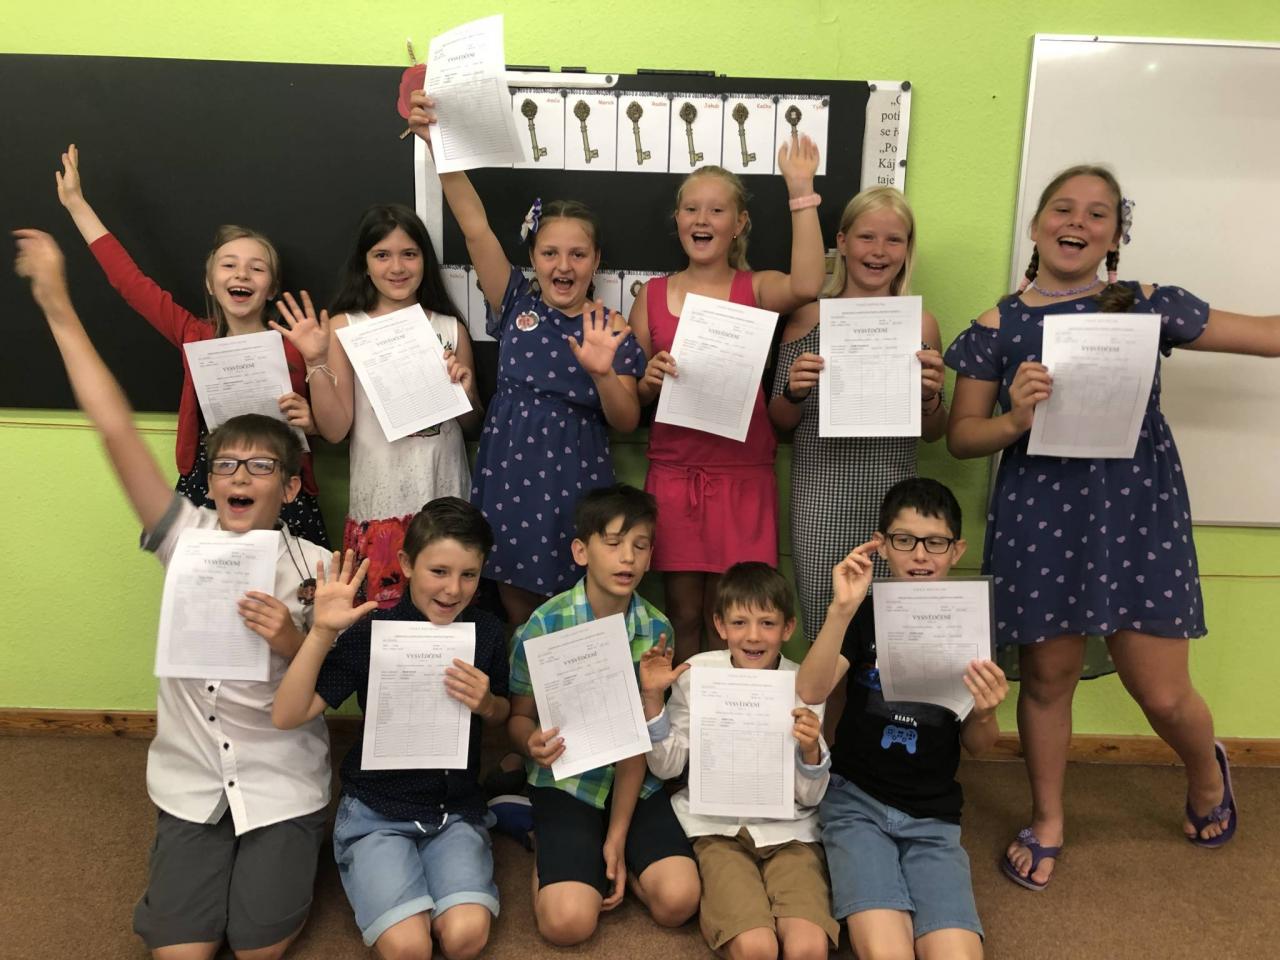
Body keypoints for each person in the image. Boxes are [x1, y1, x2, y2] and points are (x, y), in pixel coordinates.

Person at [946, 164, 1279, 887]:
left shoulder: (1149, 306)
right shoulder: (994, 328)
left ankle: (1207, 772)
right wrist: (1015, 417)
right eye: (1063, 208)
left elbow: (1268, 336)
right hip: (1041, 515)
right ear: (1036, 225)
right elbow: (962, 437)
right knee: (1047, 679)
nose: (1078, 222)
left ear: (1115, 235)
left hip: (1136, 515)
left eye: (1098, 213)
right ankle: (1049, 819)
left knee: (1162, 692)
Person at [16, 227, 332, 960]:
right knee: (180, 952)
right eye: (226, 466)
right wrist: (59, 306)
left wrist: (295, 635)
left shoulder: (319, 568)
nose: (240, 477)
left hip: (281, 779)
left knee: (257, 947)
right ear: (208, 480)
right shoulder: (183, 535)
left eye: (261, 467)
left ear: (291, 488)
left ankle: (301, 836)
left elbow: (333, 685)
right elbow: (114, 429)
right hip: (192, 777)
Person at [407, 88, 646, 630]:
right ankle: (522, 685)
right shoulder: (516, 304)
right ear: (533, 258)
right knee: (516, 609)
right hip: (510, 470)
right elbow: (474, 227)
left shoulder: (611, 328)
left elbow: (627, 419)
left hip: (576, 477)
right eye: (549, 253)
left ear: (596, 260)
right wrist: (439, 147)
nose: (564, 265)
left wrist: (603, 373)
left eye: (578, 254)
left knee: (578, 608)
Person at [54, 143, 328, 545]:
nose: (242, 275)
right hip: (208, 484)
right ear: (210, 283)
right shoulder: (194, 335)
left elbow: (333, 424)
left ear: (272, 288)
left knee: (289, 582)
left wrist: (313, 421)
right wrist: (77, 205)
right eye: (229, 265)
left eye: (256, 268)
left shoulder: (296, 344)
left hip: (282, 489)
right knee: (208, 579)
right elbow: (129, 282)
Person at [273, 498, 508, 960]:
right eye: (438, 571)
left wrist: (488, 703)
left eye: (469, 574)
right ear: (406, 563)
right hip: (377, 808)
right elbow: (288, 714)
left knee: (465, 938)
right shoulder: (372, 631)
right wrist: (321, 632)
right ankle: (366, 851)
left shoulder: (486, 631)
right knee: (408, 948)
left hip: (453, 809)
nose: (453, 589)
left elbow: (501, 713)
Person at [796, 478, 1007, 959]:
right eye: (905, 540)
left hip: (933, 816)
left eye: (935, 543)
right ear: (882, 545)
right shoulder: (863, 615)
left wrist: (987, 711)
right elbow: (810, 690)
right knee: (887, 951)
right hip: (856, 802)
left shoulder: (969, 625)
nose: (920, 555)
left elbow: (979, 745)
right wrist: (841, 610)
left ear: (957, 550)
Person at [630, 142, 824, 663]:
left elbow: (809, 283)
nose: (702, 219)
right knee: (683, 615)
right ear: (677, 219)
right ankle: (686, 710)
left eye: (717, 210)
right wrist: (649, 381)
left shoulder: (754, 289)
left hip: (742, 478)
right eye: (691, 208)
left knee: (733, 620)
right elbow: (633, 396)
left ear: (738, 224)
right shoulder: (651, 296)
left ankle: (728, 711)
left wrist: (801, 191)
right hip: (676, 475)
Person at [507, 484, 700, 945]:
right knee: (568, 923)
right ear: (581, 551)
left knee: (679, 902)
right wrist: (529, 742)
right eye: (612, 543)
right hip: (568, 780)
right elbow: (518, 717)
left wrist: (616, 837)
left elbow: (637, 739)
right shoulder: (544, 624)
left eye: (640, 546)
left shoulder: (656, 629)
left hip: (635, 778)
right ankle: (547, 842)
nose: (627, 558)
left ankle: (615, 857)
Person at [272, 203, 481, 608]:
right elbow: (335, 429)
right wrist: (315, 361)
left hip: (444, 496)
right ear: (364, 264)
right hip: (381, 502)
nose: (397, 267)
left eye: (409, 254)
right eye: (382, 255)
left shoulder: (449, 327)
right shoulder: (345, 327)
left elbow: (471, 425)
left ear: (425, 260)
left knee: (448, 611)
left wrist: (467, 393)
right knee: (381, 621)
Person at [768, 187, 946, 651]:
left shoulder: (920, 324)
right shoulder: (808, 318)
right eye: (867, 237)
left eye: (894, 239)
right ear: (843, 242)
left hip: (894, 502)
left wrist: (930, 396)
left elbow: (935, 432)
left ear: (907, 248)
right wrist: (794, 390)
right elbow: (779, 421)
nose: (879, 251)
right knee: (827, 633)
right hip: (821, 498)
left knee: (892, 640)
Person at [642, 562, 838, 960]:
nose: (753, 636)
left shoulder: (805, 683)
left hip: (790, 834)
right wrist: (653, 702)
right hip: (716, 830)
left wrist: (810, 751)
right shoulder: (697, 675)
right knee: (756, 948)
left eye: (767, 623)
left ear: (787, 628)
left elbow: (811, 796)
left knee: (808, 948)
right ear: (720, 625)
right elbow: (666, 768)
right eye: (739, 622)